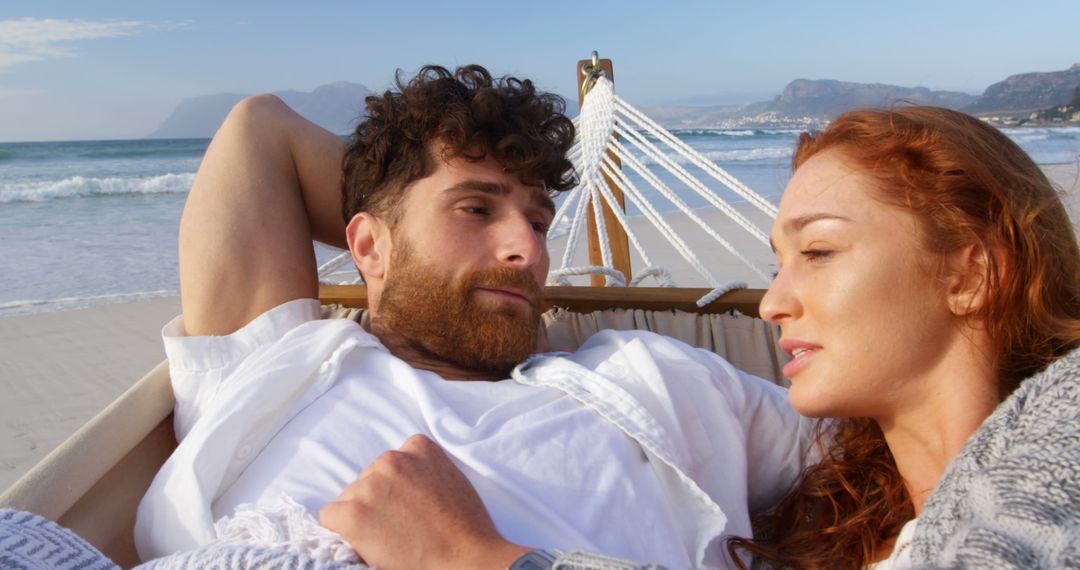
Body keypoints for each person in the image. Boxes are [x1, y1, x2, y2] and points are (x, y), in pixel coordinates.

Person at [320, 106, 1080, 569]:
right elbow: (259, 132)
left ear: (970, 274)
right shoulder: (846, 517)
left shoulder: (1063, 421)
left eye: (817, 251)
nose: (771, 303)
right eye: (776, 265)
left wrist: (486, 561)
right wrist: (401, 238)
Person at [132, 65, 813, 569]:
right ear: (364, 244)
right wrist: (394, 202)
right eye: (477, 209)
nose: (529, 249)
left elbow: (888, 455)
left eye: (540, 221)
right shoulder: (284, 368)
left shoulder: (655, 378)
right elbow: (261, 130)